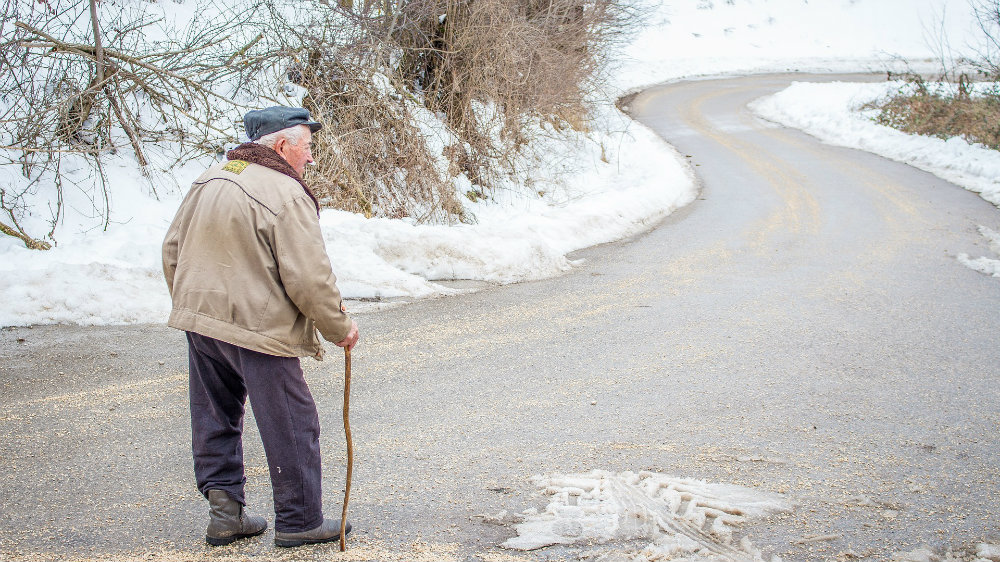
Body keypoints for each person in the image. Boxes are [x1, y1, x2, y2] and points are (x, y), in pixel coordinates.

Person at [162, 106, 359, 548]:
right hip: (257, 326)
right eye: (307, 148)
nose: (310, 159)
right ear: (283, 144)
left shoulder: (209, 178)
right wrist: (338, 326)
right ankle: (301, 521)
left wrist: (191, 303)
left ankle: (225, 514)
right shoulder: (286, 193)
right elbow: (309, 276)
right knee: (293, 421)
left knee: (215, 415)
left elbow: (172, 248)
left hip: (201, 319)